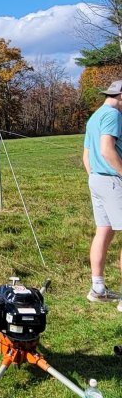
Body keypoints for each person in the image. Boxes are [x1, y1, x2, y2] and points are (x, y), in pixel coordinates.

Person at [82, 79, 122, 309]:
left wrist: (93, 178)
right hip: (112, 180)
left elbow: (86, 155)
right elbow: (107, 149)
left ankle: (98, 288)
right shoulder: (113, 115)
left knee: (104, 231)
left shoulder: (95, 116)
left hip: (96, 179)